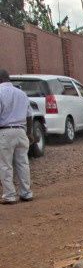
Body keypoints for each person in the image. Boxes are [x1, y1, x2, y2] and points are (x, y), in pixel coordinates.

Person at [0, 68, 34, 204]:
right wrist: (29, 133)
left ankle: (9, 195)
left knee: (5, 165)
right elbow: (30, 115)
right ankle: (26, 193)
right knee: (23, 163)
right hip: (21, 130)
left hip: (5, 131)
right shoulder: (22, 93)